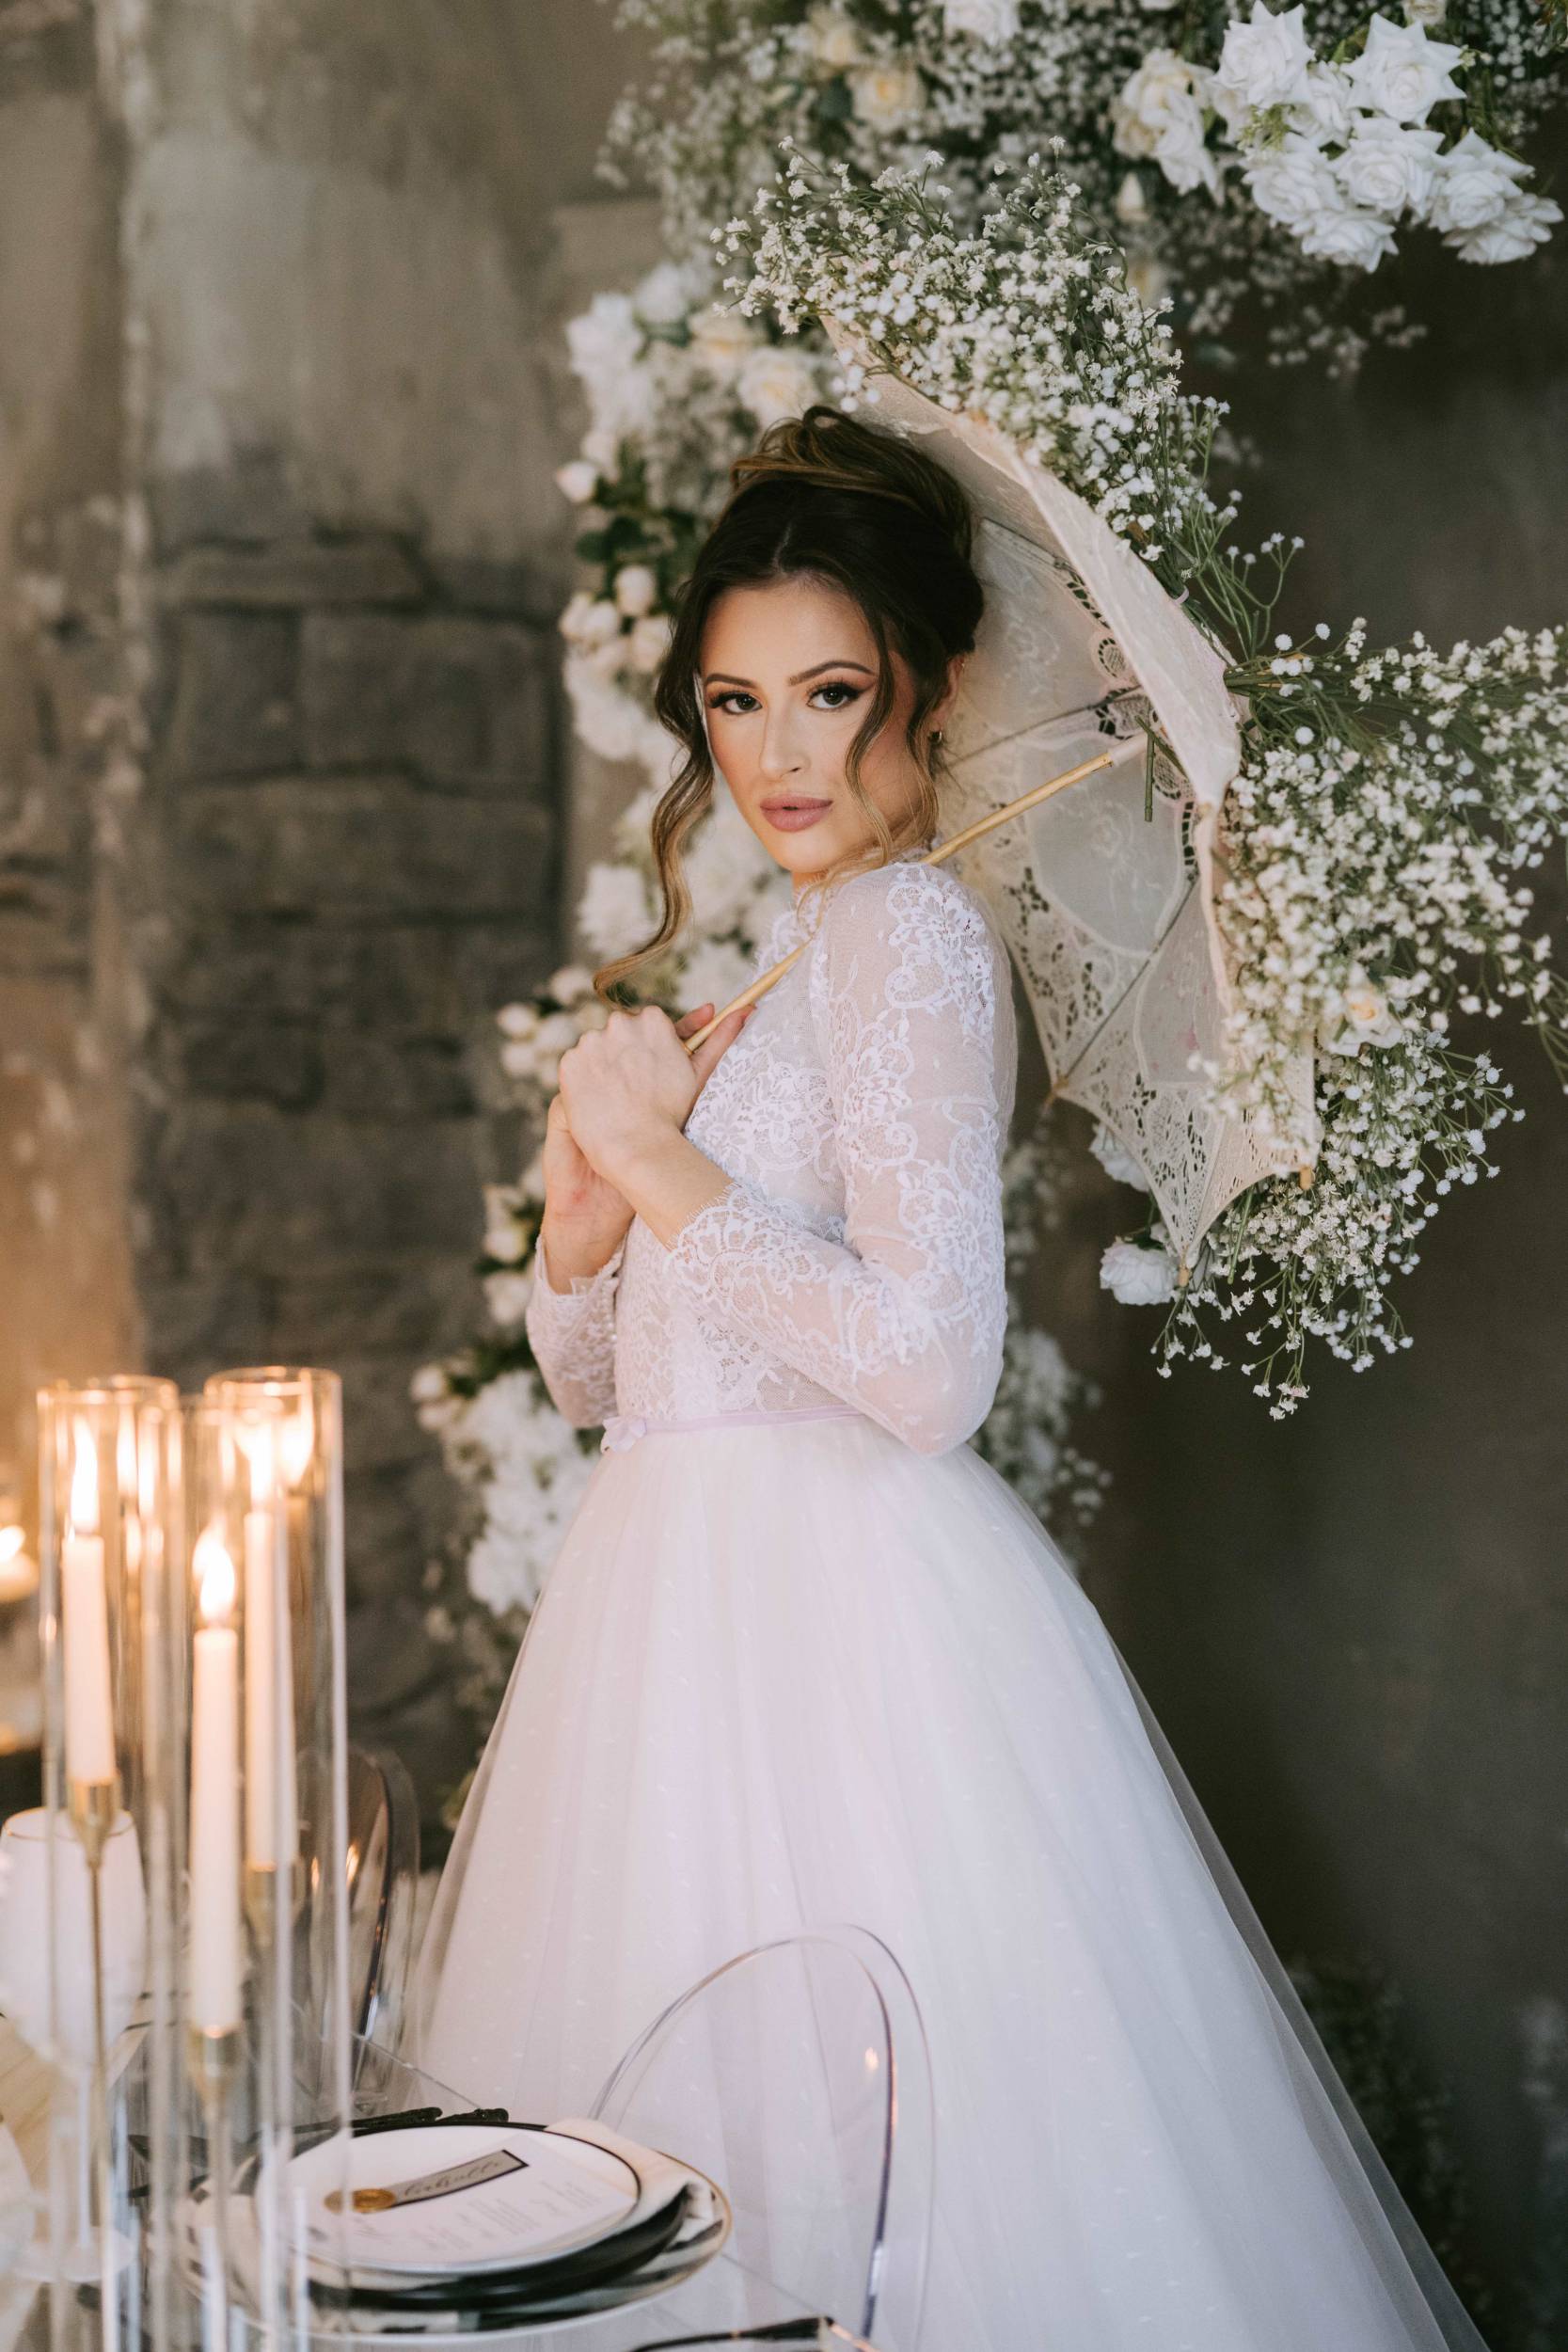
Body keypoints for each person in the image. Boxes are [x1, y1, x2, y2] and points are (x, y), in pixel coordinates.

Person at [411, 406, 1488, 2351]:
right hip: (665, 1618)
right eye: (738, 702)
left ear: (933, 684)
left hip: (837, 1638)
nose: (783, 753)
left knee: (857, 2181)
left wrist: (665, 1168)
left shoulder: (908, 937)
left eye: (833, 690)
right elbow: (618, 1388)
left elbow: (928, 1369)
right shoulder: (786, 959)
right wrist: (586, 1226)